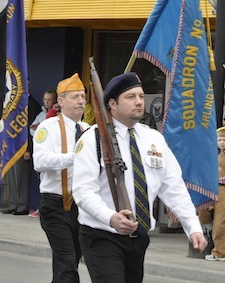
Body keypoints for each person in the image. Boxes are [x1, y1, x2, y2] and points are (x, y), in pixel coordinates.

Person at [72, 72, 206, 282]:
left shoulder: (153, 139)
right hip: (102, 234)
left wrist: (193, 227)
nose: (139, 102)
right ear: (112, 104)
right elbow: (82, 191)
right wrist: (110, 217)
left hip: (139, 237)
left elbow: (173, 188)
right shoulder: (93, 139)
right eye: (131, 97)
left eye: (141, 96)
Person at [33, 73, 88, 283]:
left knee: (69, 262)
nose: (81, 101)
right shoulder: (48, 127)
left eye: (83, 96)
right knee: (67, 263)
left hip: (81, 206)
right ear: (61, 101)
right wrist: (74, 157)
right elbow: (40, 161)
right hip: (55, 205)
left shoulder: (88, 130)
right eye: (75, 97)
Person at [205, 127, 225, 261]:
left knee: (220, 223)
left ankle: (219, 252)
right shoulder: (216, 156)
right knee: (208, 217)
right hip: (215, 190)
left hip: (223, 191)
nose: (222, 142)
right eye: (219, 139)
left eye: (224, 139)